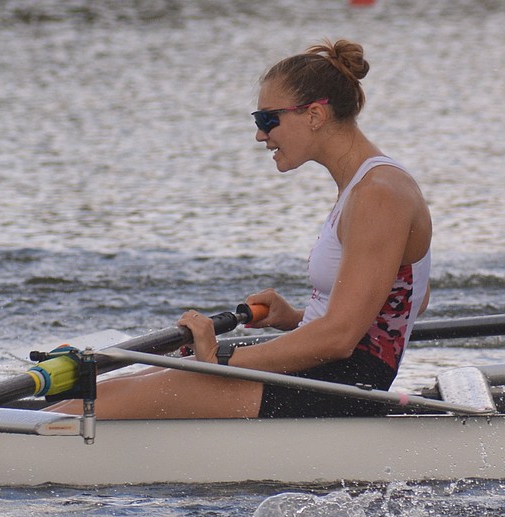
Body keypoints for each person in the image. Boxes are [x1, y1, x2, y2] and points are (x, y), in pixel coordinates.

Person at [50, 39, 432, 419]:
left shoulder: (378, 195)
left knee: (93, 405)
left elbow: (339, 337)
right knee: (115, 386)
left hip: (341, 385)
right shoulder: (368, 186)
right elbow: (408, 300)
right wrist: (298, 317)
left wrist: (223, 359)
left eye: (268, 119)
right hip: (328, 372)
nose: (260, 135)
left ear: (315, 115)